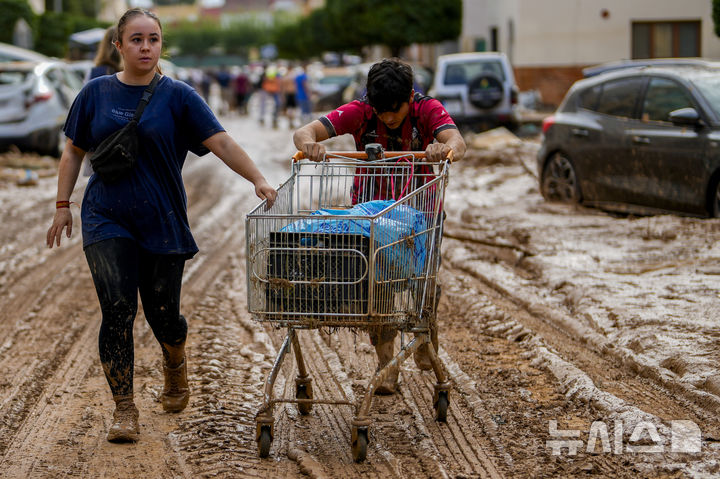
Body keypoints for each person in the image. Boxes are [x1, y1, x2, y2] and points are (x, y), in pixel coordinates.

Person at [46, 8, 277, 444]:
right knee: (117, 311)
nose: (145, 47)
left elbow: (221, 140)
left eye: (153, 39)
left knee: (163, 315)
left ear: (161, 45)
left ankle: (175, 360)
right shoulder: (94, 93)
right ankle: (124, 409)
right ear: (118, 46)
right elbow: (74, 151)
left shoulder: (179, 95)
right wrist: (63, 204)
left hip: (162, 218)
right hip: (106, 215)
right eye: (136, 39)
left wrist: (258, 178)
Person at [293, 58, 466, 395]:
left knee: (423, 282)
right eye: (380, 110)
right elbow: (305, 131)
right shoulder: (359, 112)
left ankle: (426, 328)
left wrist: (443, 148)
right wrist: (309, 144)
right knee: (377, 285)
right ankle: (386, 364)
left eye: (395, 111)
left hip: (420, 211)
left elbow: (457, 141)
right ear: (369, 102)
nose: (387, 117)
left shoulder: (427, 110)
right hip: (371, 214)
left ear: (410, 98)